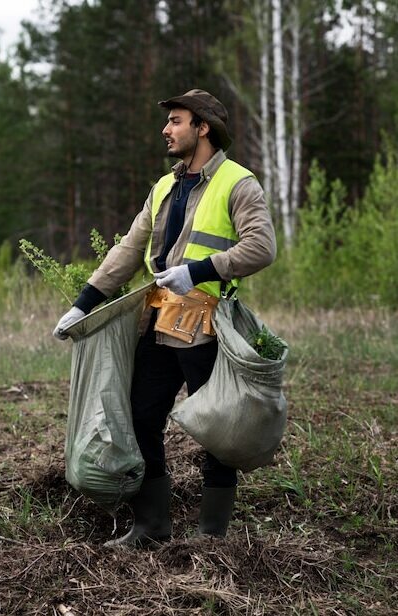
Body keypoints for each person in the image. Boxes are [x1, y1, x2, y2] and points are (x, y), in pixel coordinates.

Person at [53, 88, 276, 547]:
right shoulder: (164, 186)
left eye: (175, 120)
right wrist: (84, 302)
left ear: (203, 127)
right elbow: (128, 250)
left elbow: (261, 247)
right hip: (156, 325)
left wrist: (196, 271)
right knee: (139, 419)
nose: (166, 129)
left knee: (218, 427)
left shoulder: (238, 183)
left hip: (208, 327)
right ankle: (152, 526)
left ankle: (212, 536)